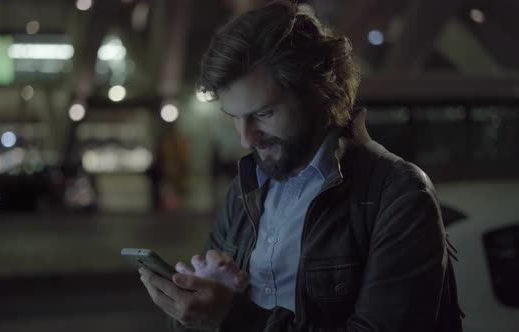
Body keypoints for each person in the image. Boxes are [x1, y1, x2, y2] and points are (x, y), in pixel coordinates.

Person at [139, 1, 463, 331]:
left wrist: (232, 317)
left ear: (317, 94)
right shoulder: (245, 189)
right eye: (235, 118)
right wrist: (192, 306)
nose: (246, 140)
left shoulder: (397, 194)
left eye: (263, 114)